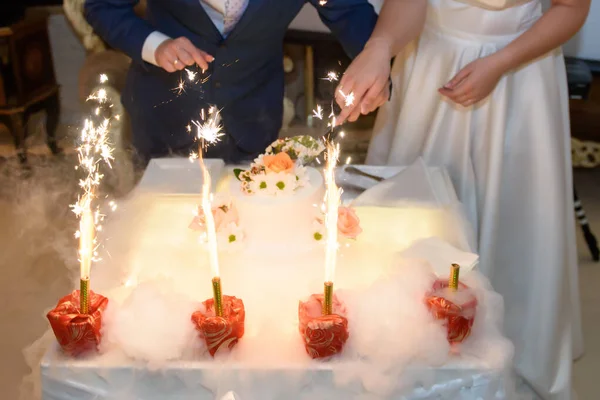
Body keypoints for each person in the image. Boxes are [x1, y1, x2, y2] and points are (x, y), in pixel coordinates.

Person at [336, 0, 589, 398]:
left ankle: (511, 354)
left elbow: (571, 8)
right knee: (418, 220)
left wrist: (500, 62)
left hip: (520, 71)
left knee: (513, 222)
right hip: (432, 65)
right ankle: (407, 349)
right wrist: (380, 47)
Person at [84, 0, 377, 165]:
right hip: (165, 116)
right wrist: (156, 46)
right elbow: (103, 7)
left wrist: (377, 65)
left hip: (253, 117)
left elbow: (349, 11)